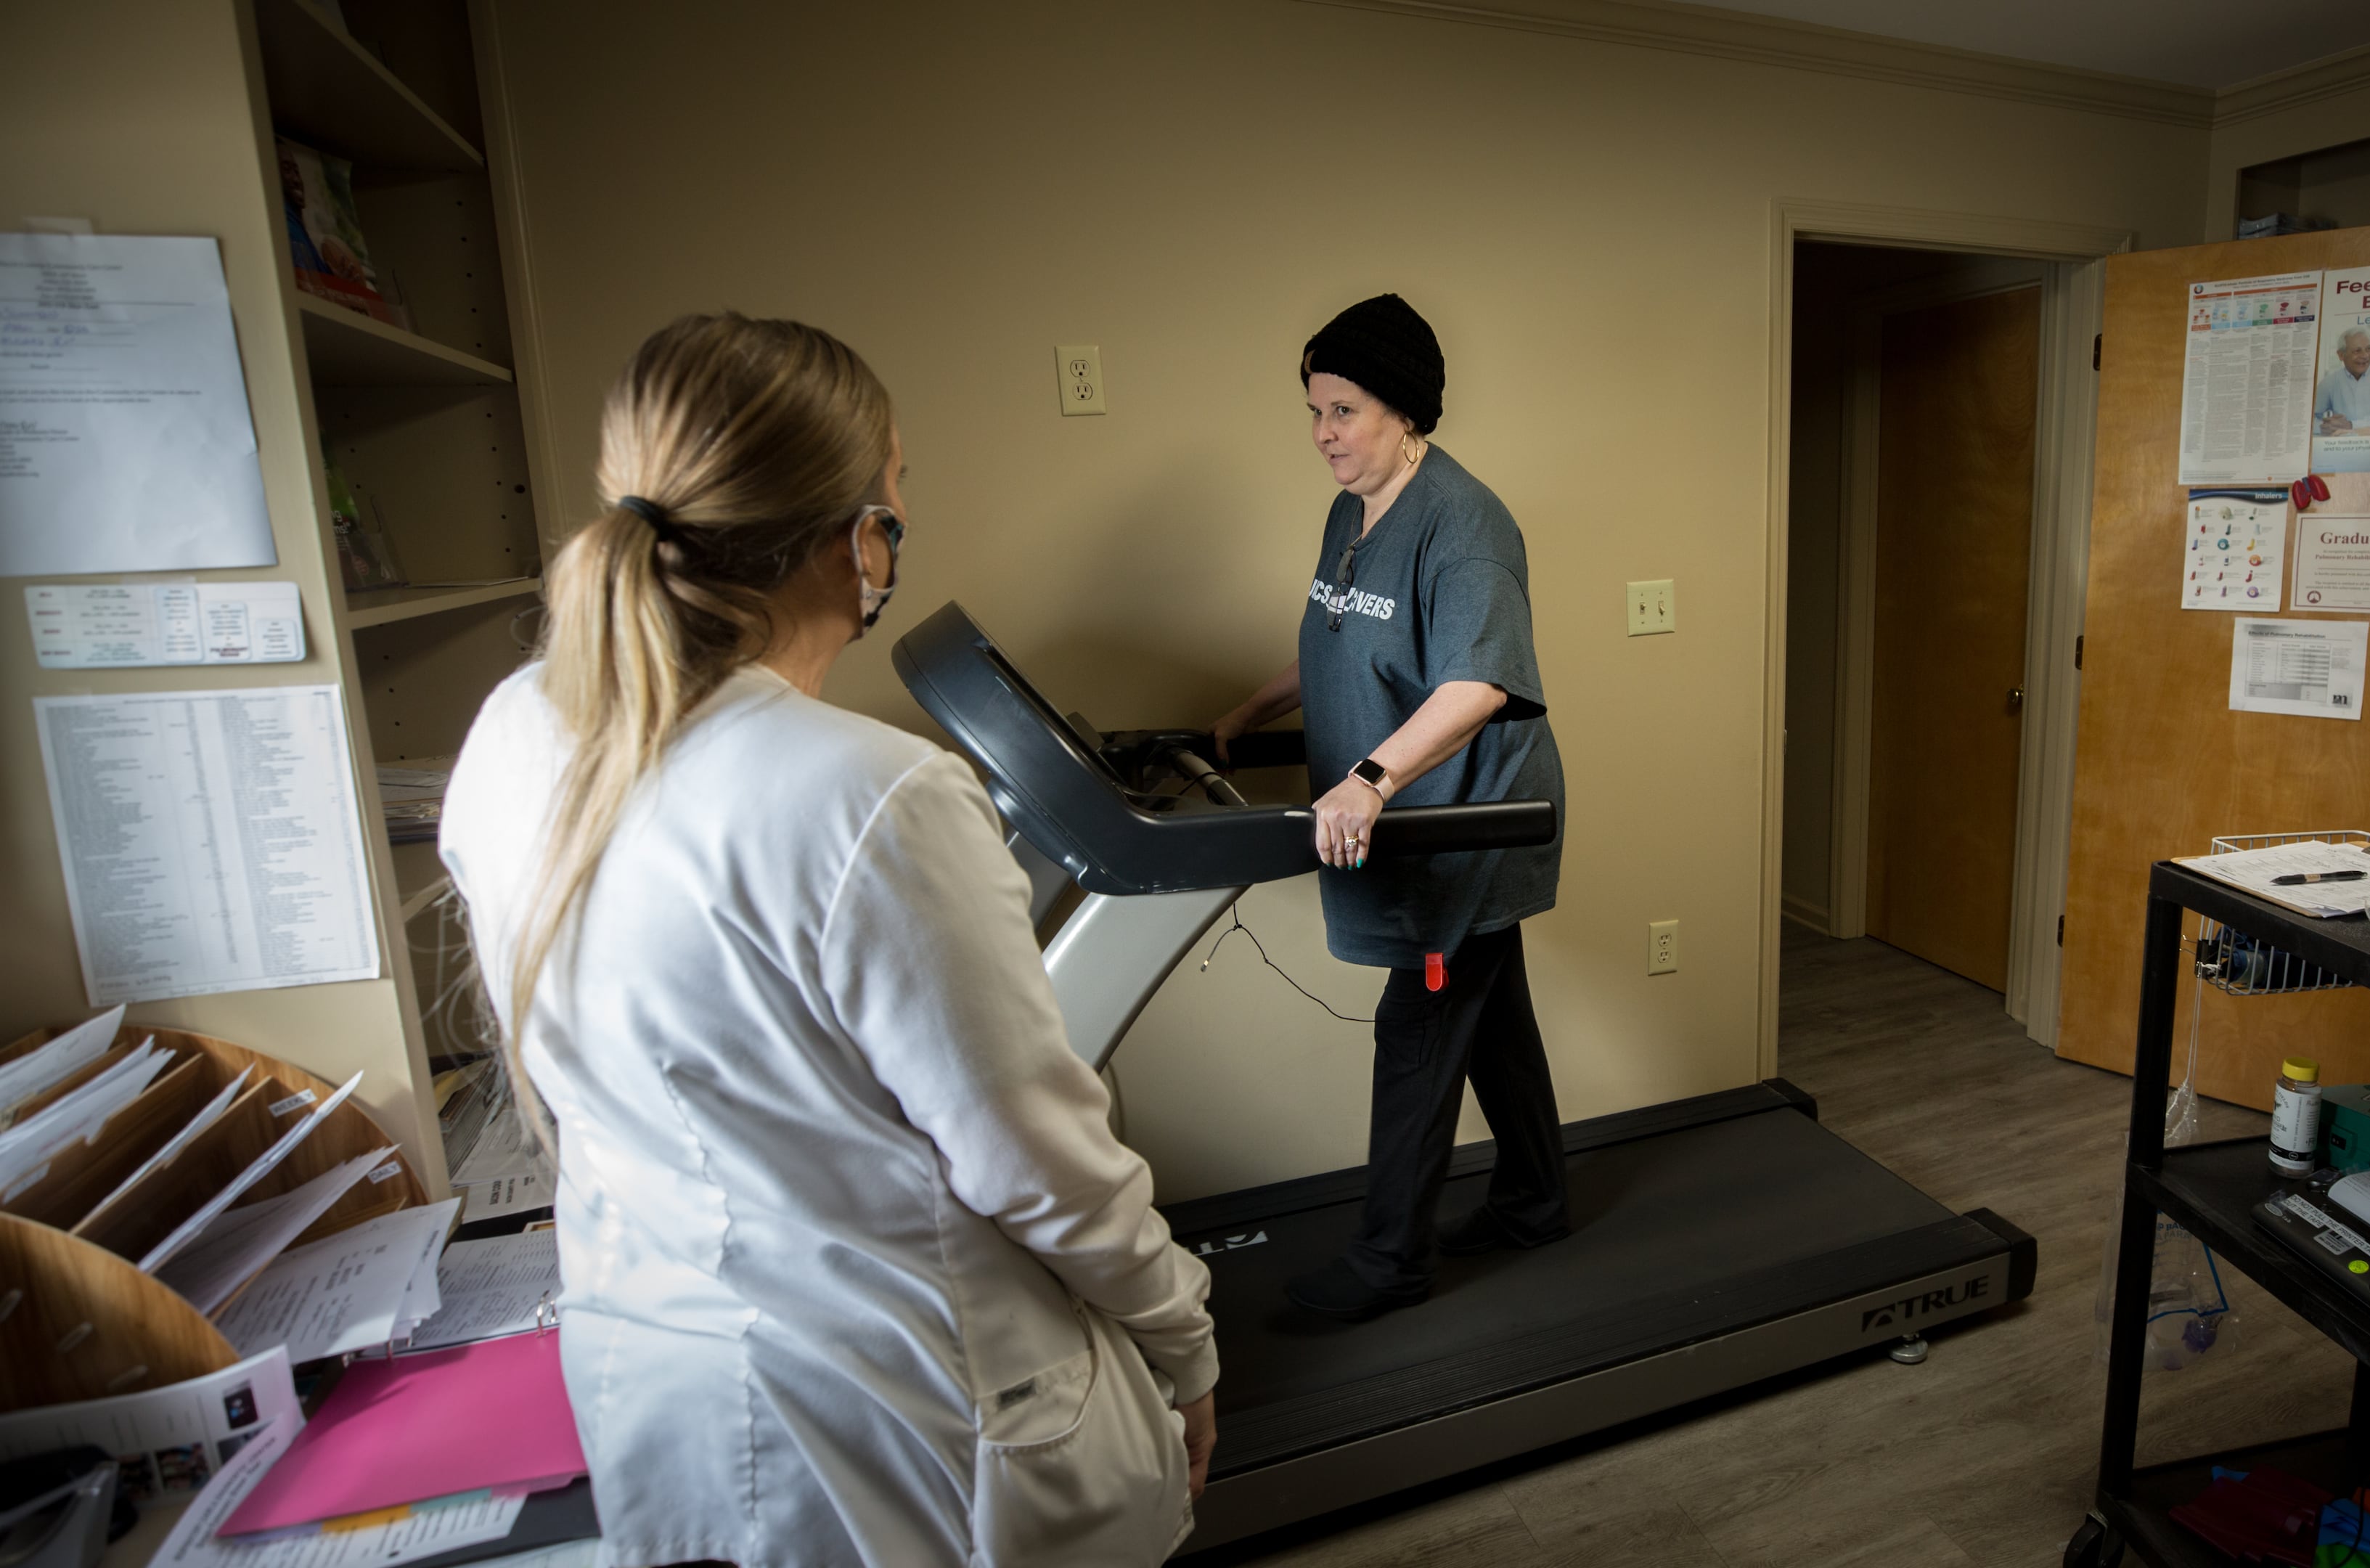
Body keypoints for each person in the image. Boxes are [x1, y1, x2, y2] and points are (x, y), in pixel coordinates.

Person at [439, 314, 1217, 1567]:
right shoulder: (876, 794)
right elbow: (1038, 1161)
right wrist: (1185, 1340)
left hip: (662, 1399)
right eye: (894, 501)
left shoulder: (511, 729)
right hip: (902, 1430)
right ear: (861, 542)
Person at [1209, 294, 1569, 1322]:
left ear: (1405, 413)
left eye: (1346, 411)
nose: (1324, 434)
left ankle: (1388, 1262)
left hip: (1467, 822)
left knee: (1420, 1023)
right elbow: (1347, 633)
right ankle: (1536, 1202)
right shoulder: (1350, 511)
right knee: (1490, 1020)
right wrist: (1250, 710)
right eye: (1316, 411)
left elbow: (1478, 684)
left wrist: (1368, 782)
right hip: (1414, 817)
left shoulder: (1468, 525)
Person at [2314, 327, 2370, 435]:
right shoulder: (2330, 382)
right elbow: (2308, 417)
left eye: (2368, 349)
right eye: (2357, 351)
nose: (2365, 356)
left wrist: (2351, 425)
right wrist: (2324, 427)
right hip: (2343, 448)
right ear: (2341, 355)